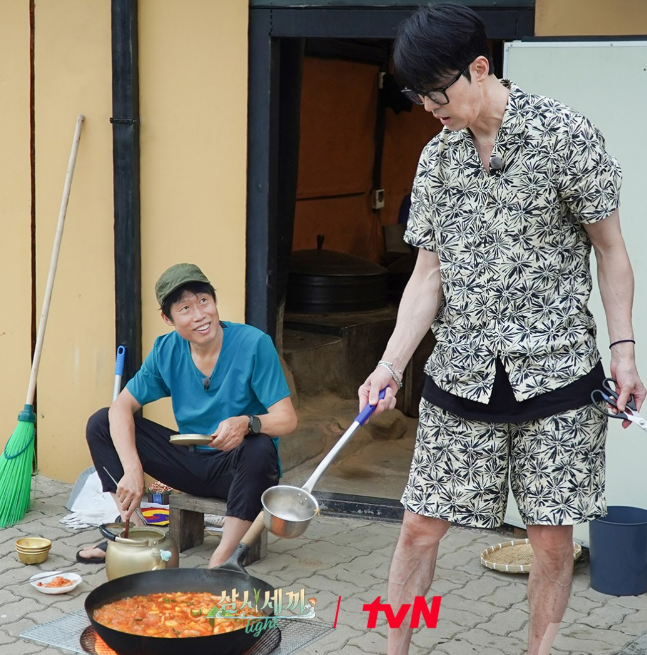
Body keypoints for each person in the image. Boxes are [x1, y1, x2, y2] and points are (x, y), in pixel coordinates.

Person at [359, 5, 645, 655]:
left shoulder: (564, 135)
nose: (428, 107)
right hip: (459, 374)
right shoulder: (436, 159)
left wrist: (624, 351)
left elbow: (611, 250)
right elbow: (426, 276)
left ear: (479, 68)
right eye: (418, 95)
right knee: (417, 529)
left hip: (557, 375)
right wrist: (389, 364)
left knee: (550, 542)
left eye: (437, 92)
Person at [77, 263, 297, 568]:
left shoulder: (253, 344)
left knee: (259, 447)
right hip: (189, 462)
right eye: (185, 308)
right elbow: (121, 406)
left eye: (204, 301)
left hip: (237, 471)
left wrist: (248, 423)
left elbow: (287, 419)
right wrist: (132, 469)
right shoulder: (166, 350)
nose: (199, 315)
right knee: (101, 423)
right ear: (168, 319)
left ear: (215, 302)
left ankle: (222, 558)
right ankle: (135, 536)